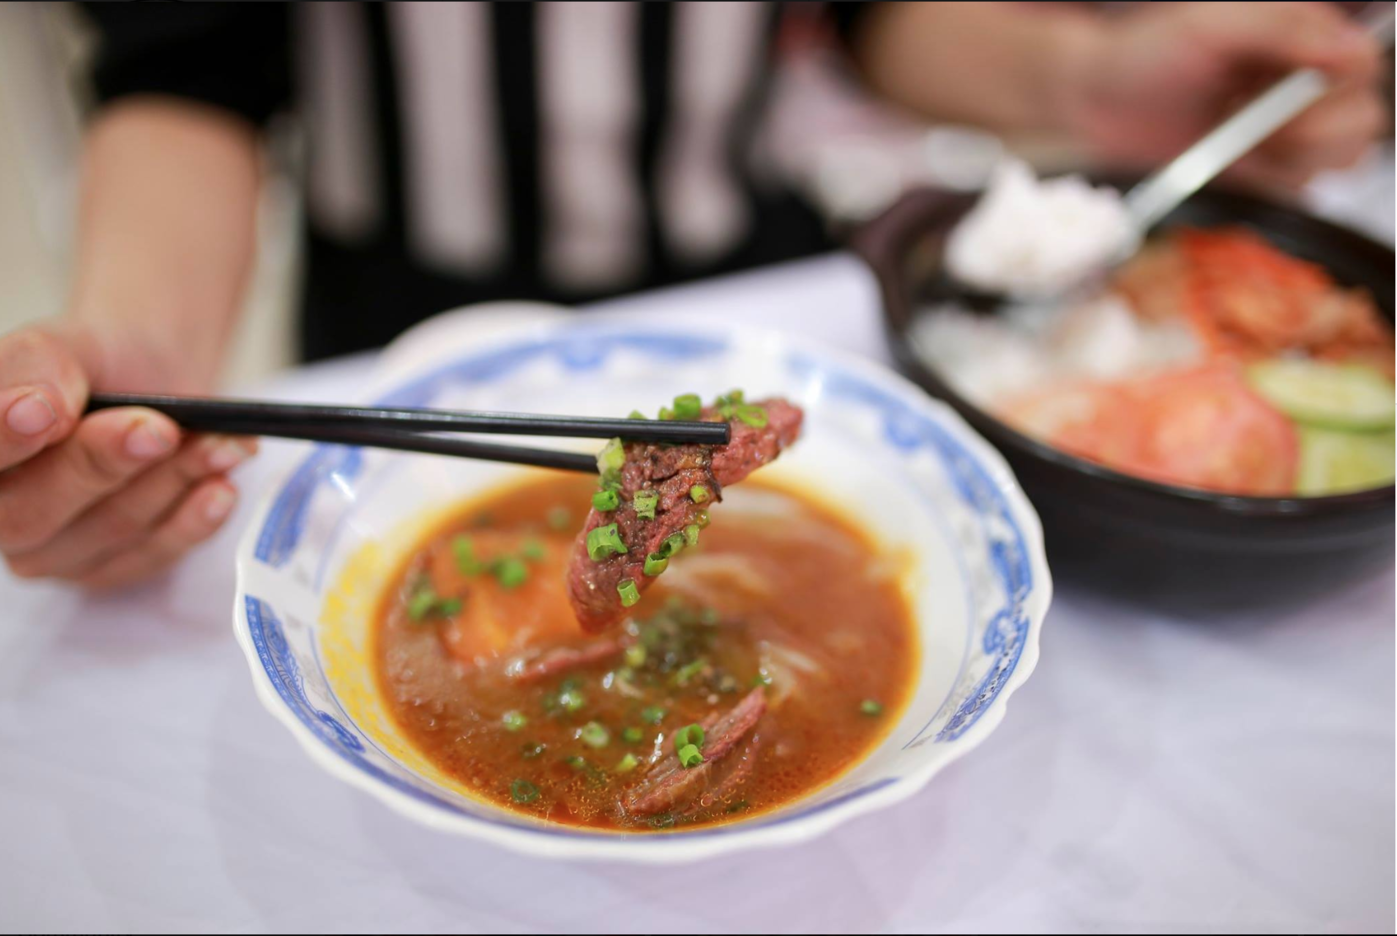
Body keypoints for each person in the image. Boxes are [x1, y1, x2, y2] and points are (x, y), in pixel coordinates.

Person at [0, 1, 1382, 588]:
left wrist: (1084, 83)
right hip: (393, 324)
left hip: (751, 283)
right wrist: (142, 358)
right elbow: (192, 63)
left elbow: (863, 13)